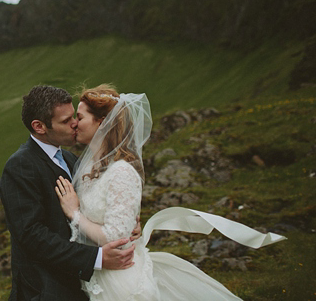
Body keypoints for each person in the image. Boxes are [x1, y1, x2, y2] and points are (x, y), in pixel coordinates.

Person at [55, 84, 286, 300]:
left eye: (80, 117)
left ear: (102, 122)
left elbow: (116, 238)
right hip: (93, 273)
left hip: (118, 280)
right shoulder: (87, 168)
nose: (75, 123)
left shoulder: (122, 172)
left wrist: (76, 215)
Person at [0, 85, 141, 301]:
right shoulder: (20, 166)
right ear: (39, 126)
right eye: (66, 121)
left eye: (74, 116)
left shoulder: (73, 161)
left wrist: (125, 223)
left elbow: (95, 209)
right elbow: (31, 235)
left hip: (85, 287)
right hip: (45, 291)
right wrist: (98, 257)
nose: (75, 123)